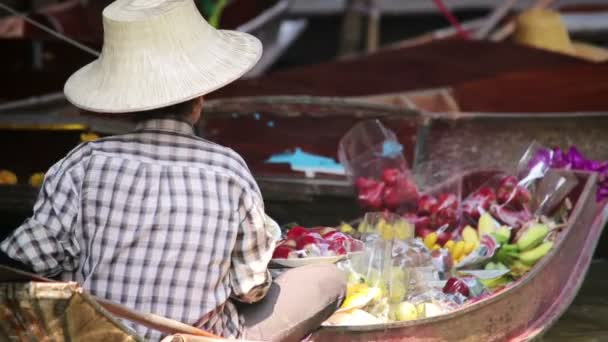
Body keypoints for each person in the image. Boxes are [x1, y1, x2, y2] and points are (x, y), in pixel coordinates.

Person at [0, 0, 345, 341]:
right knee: (327, 281)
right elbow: (249, 288)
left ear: (127, 104)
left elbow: (23, 261)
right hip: (199, 338)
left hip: (98, 336)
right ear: (198, 101)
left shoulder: (82, 163)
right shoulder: (228, 169)